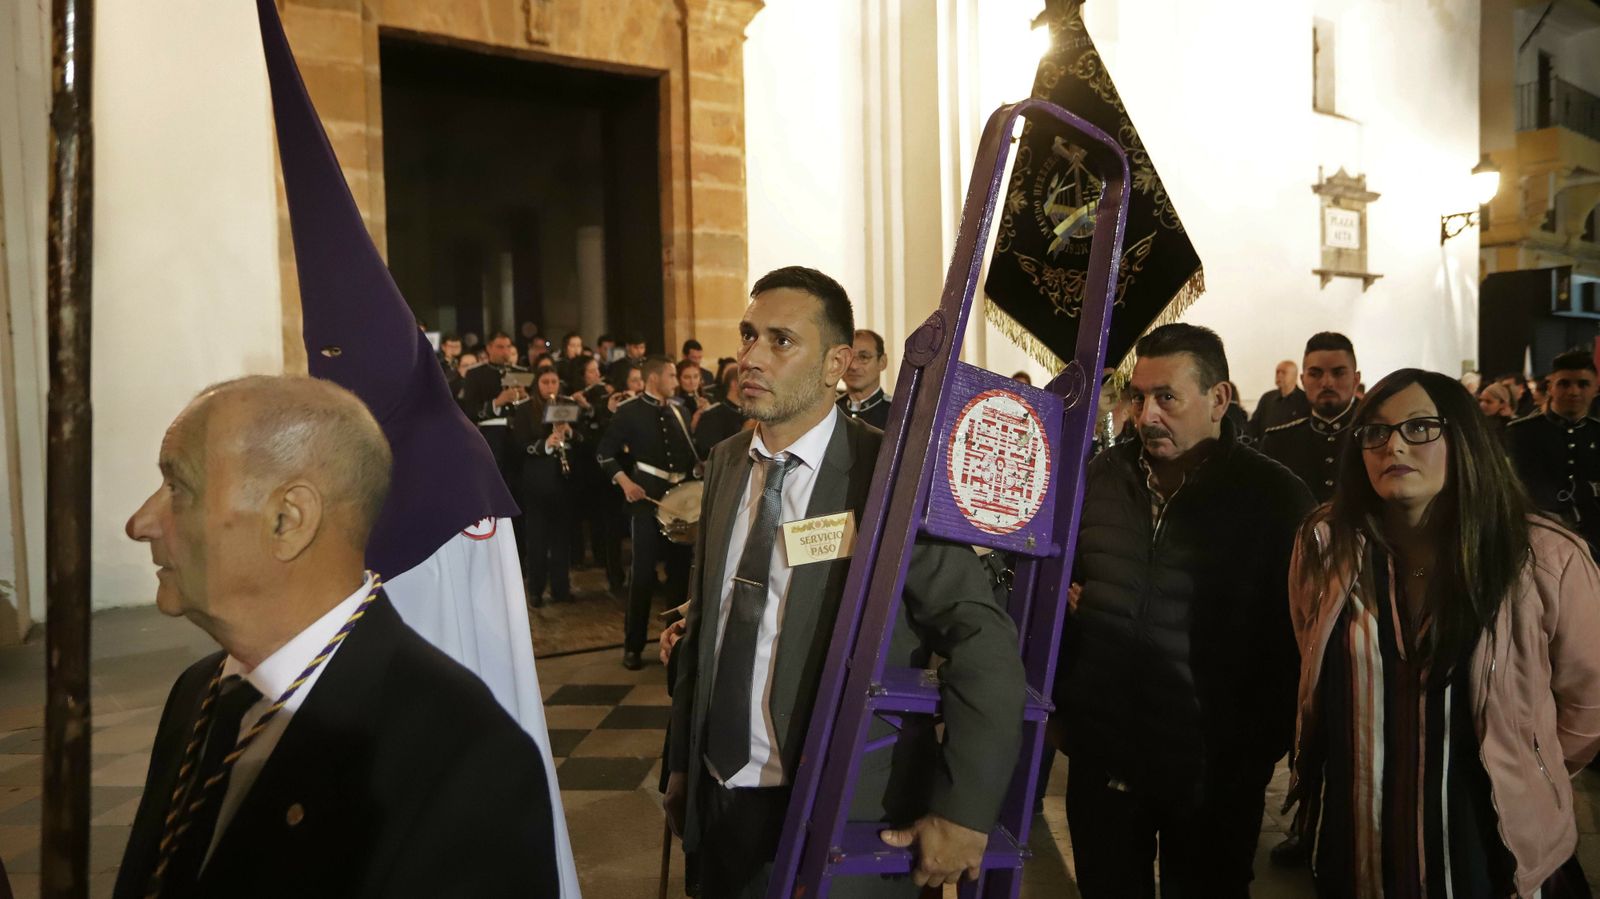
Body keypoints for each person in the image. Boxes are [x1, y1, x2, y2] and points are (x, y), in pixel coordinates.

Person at [115, 376, 558, 899]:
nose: (140, 523)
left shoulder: (465, 758)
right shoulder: (198, 692)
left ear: (288, 520)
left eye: (178, 488)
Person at [664, 266, 1026, 897]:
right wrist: (680, 770)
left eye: (780, 341)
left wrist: (965, 810)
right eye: (748, 335)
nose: (750, 356)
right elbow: (708, 627)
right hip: (720, 804)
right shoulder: (725, 462)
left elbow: (982, 638)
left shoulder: (887, 475)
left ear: (836, 362)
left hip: (842, 805)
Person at [1285, 368, 1600, 897]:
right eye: (1376, 431)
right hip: (1359, 845)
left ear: (1465, 438)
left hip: (1491, 849)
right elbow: (1310, 647)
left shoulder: (1544, 558)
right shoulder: (1326, 544)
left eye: (1420, 427)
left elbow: (1586, 708)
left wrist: (1526, 766)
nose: (1394, 446)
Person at [1053, 323, 1314, 897]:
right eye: (1139, 396)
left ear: (1218, 399)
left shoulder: (1274, 499)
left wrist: (1254, 748)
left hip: (1213, 773)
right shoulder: (1098, 479)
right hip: (1105, 759)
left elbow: (1296, 639)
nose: (1146, 415)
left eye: (1166, 397)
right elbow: (1061, 587)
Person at [596, 355, 699, 669]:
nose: (675, 380)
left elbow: (686, 454)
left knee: (680, 576)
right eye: (671, 374)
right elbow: (604, 453)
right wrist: (625, 482)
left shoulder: (680, 410)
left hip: (677, 507)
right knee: (642, 576)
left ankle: (675, 644)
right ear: (654, 378)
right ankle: (633, 645)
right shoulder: (629, 411)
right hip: (644, 503)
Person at [1508, 349, 1600, 557]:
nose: (1574, 392)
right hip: (1538, 541)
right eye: (1564, 383)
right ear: (1550, 387)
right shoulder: (1521, 432)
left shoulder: (1597, 433)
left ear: (1596, 389)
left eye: (1583, 384)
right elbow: (1524, 488)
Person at [1259, 332, 1361, 504]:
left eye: (1338, 373)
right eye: (1315, 374)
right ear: (1303, 380)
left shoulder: (1375, 439)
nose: (1327, 382)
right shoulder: (1277, 444)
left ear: (1356, 379)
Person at [512, 369, 581, 607]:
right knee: (537, 541)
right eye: (545, 382)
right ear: (537, 384)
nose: (550, 386)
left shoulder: (568, 406)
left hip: (563, 483)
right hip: (536, 483)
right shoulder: (524, 409)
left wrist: (569, 432)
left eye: (554, 381)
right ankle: (536, 591)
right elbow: (519, 445)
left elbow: (584, 440)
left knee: (562, 540)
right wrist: (545, 444)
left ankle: (561, 589)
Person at [458, 331, 530, 484]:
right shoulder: (476, 374)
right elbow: (469, 410)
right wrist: (497, 403)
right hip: (491, 436)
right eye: (500, 347)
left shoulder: (521, 372)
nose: (505, 351)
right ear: (489, 348)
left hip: (518, 434)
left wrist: (524, 398)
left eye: (508, 347)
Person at [836, 329, 892, 431]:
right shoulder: (831, 410)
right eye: (848, 358)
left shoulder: (896, 413)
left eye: (863, 357)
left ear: (882, 362)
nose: (853, 366)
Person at [693, 366, 750, 457]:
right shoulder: (713, 415)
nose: (751, 388)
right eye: (747, 383)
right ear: (734, 384)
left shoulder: (749, 414)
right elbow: (708, 454)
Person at [1247, 359, 1310, 441]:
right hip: (1266, 450)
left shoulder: (1306, 400)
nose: (1279, 375)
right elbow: (1253, 427)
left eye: (1283, 372)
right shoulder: (1267, 398)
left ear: (1294, 376)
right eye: (1277, 372)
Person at [1478, 382, 1515, 446]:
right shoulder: (1478, 420)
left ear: (1502, 404)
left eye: (1488, 401)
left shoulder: (1508, 427)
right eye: (1480, 400)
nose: (1482, 405)